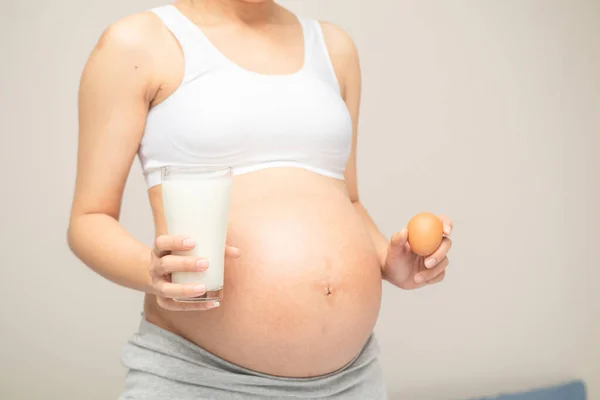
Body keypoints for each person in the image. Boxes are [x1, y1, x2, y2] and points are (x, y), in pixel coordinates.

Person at [67, 0, 453, 398]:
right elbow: (89, 219)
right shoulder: (139, 43)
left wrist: (391, 262)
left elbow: (348, 200)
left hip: (352, 382)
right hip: (200, 379)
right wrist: (151, 272)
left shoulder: (334, 47)